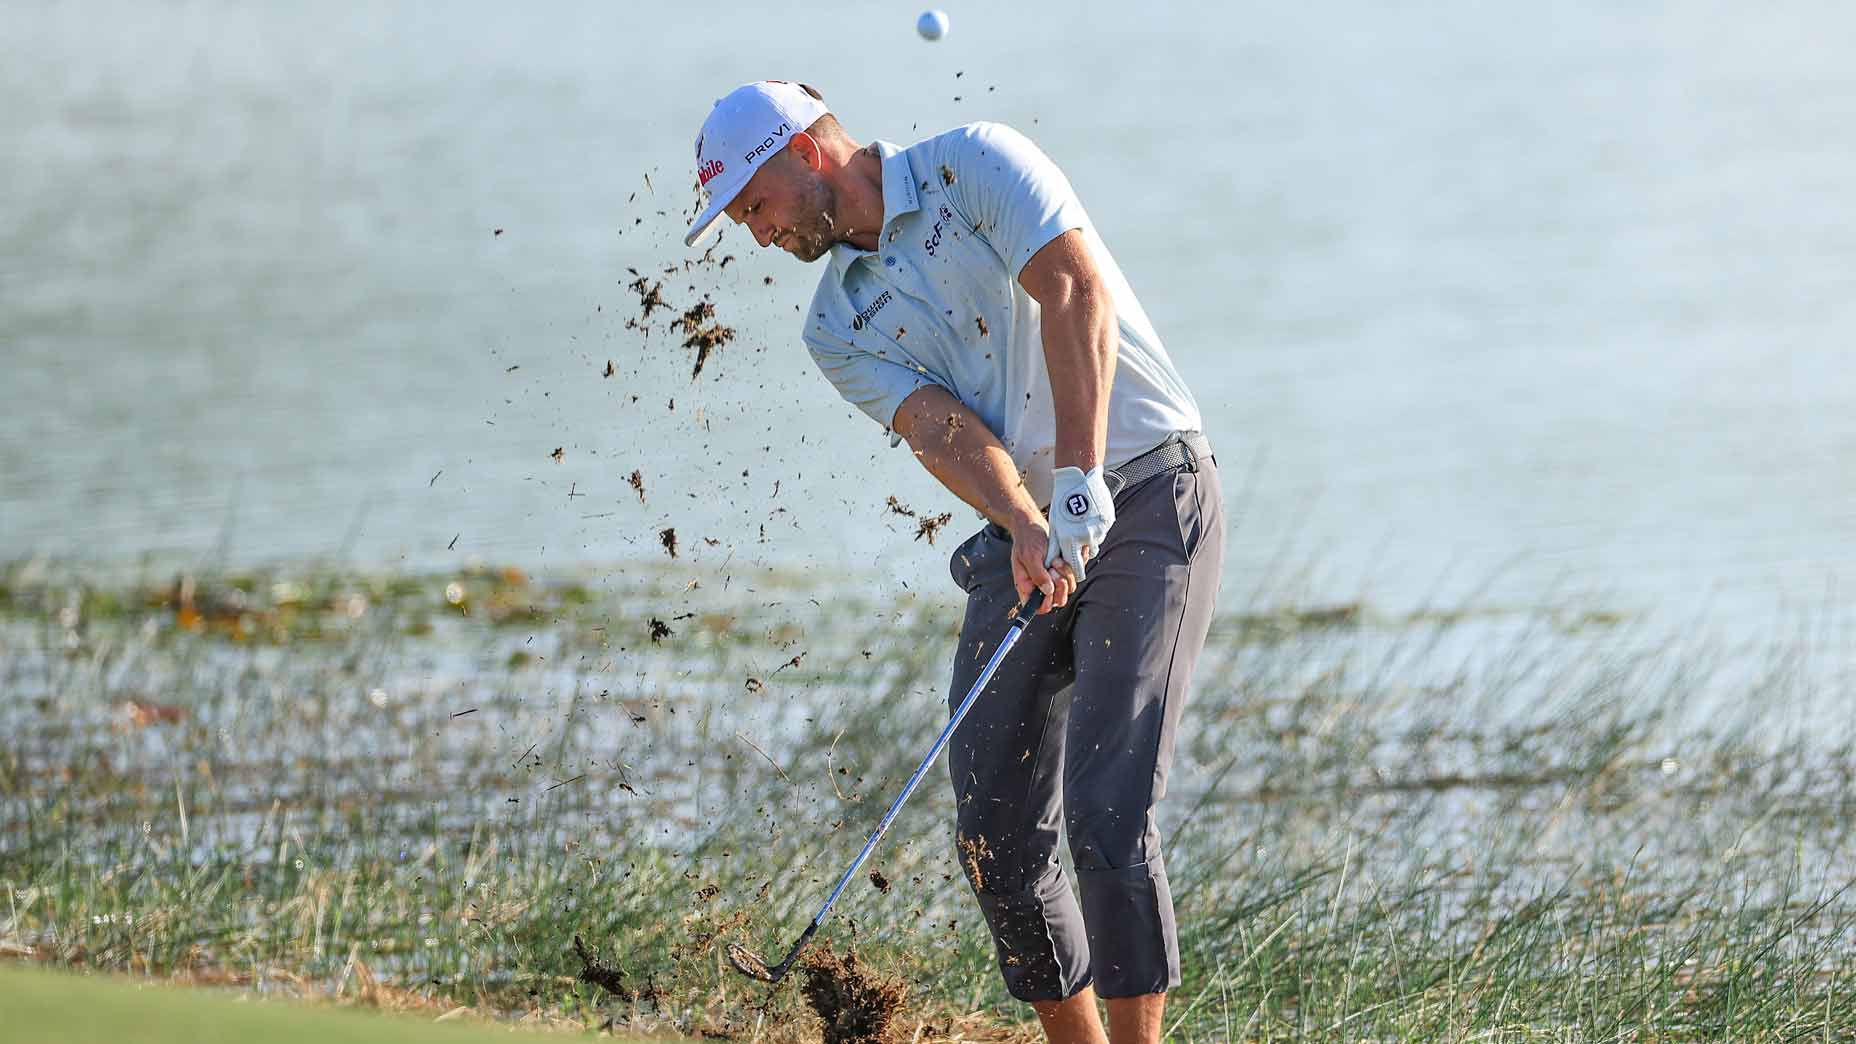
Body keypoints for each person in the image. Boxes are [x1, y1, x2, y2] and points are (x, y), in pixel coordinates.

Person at [684, 80, 1225, 1044]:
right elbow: (937, 425)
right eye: (738, 222)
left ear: (805, 154)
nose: (754, 236)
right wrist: (1023, 517)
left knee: (1108, 805)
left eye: (753, 207)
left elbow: (1074, 290)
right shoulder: (833, 327)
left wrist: (1078, 477)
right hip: (1027, 530)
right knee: (995, 830)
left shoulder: (973, 164)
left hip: (1144, 487)